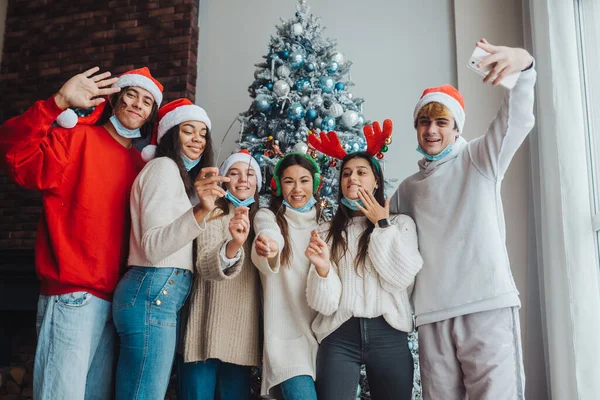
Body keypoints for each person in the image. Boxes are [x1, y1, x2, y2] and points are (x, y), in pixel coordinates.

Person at [0, 66, 163, 399]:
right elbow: (15, 155)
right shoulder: (76, 139)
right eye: (131, 94)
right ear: (115, 99)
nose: (137, 104)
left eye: (146, 102)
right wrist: (57, 102)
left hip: (117, 305)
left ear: (149, 116)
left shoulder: (143, 168)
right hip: (72, 295)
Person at [389, 39, 536, 399]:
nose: (432, 130)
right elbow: (375, 230)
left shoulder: (479, 158)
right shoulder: (406, 190)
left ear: (456, 128)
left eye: (441, 121)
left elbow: (515, 119)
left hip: (486, 305)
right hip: (431, 317)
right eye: (424, 122)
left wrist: (525, 66)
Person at [111, 98, 225, 399]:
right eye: (188, 130)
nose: (197, 139)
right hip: (152, 290)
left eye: (202, 133)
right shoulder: (162, 168)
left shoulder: (178, 178)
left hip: (156, 293)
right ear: (171, 134)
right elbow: (153, 246)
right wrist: (200, 210)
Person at [305, 124, 423, 400]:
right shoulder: (325, 231)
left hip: (389, 334)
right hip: (339, 336)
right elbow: (325, 304)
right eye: (346, 173)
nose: (352, 178)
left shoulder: (400, 224)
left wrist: (381, 225)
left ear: (376, 181)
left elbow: (400, 278)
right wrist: (323, 269)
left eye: (361, 172)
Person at [177, 150, 262, 400]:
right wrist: (234, 244)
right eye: (233, 174)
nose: (242, 180)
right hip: (204, 331)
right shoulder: (212, 212)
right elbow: (205, 264)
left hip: (242, 336)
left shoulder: (262, 220)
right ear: (223, 180)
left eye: (249, 174)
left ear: (258, 182)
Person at [251, 152, 323, 399]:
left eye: (304, 180)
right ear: (279, 186)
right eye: (289, 181)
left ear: (314, 184)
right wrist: (269, 247)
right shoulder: (268, 217)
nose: (297, 188)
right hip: (287, 342)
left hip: (325, 339)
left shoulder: (326, 225)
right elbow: (268, 235)